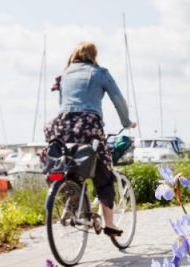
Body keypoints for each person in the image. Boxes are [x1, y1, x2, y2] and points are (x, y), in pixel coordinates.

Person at [44, 41, 136, 237]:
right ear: (94, 56)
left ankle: (72, 201)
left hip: (61, 125)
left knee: (68, 164)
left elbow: (63, 103)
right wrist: (127, 123)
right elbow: (118, 100)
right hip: (88, 125)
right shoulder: (100, 73)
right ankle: (110, 223)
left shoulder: (64, 75)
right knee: (103, 170)